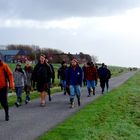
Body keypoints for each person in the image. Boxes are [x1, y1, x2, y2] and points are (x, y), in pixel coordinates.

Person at [0, 55, 14, 121]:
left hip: (3, 87)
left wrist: (11, 85)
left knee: (4, 102)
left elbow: (10, 75)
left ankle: (6, 114)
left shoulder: (4, 66)